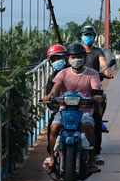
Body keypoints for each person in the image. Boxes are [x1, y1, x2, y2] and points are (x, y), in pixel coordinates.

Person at [42, 42, 102, 172]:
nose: (76, 60)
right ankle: (52, 157)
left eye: (79, 56)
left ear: (84, 58)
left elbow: (96, 87)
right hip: (65, 110)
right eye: (73, 57)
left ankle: (92, 159)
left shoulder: (92, 73)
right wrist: (49, 96)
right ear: (68, 59)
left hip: (84, 110)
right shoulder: (62, 73)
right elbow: (55, 89)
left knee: (88, 126)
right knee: (54, 127)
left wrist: (96, 95)